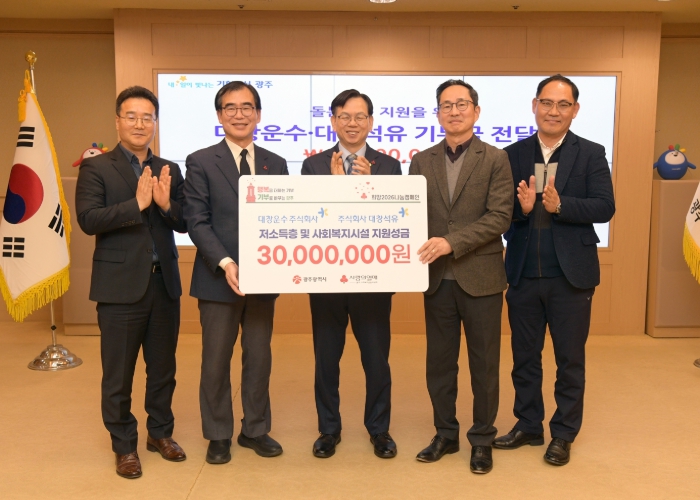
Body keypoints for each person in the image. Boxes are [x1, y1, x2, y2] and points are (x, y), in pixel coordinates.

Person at [493, 74, 615, 466]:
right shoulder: (511, 154)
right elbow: (498, 213)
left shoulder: (591, 153)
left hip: (570, 276)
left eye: (563, 105)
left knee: (569, 360)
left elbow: (605, 206)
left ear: (575, 110)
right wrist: (523, 210)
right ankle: (529, 425)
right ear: (534, 106)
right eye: (547, 103)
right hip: (523, 273)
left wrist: (561, 206)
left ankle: (563, 433)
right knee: (524, 358)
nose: (554, 111)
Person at [76, 86, 187, 479]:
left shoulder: (169, 168)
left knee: (163, 369)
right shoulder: (96, 168)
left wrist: (166, 204)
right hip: (119, 287)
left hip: (164, 285)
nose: (140, 124)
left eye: (147, 117)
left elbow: (184, 222)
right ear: (118, 121)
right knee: (118, 374)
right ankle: (124, 446)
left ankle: (160, 433)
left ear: (155, 123)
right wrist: (136, 206)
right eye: (132, 116)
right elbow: (88, 220)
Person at [409, 80, 513, 474]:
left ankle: (482, 439)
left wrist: (451, 242)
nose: (454, 111)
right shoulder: (421, 160)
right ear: (437, 113)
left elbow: (500, 217)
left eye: (462, 104)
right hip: (436, 279)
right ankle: (445, 434)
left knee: (484, 364)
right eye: (446, 105)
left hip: (481, 278)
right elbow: (408, 216)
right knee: (439, 364)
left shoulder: (496, 159)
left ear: (476, 111)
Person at [184, 81, 289, 464]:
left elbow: (285, 219)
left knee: (259, 358)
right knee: (215, 361)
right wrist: (227, 263)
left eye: (247, 107)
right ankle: (218, 435)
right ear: (219, 115)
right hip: (217, 279)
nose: (239, 114)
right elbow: (197, 221)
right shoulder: (200, 161)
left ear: (258, 114)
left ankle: (255, 429)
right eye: (230, 107)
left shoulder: (276, 163)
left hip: (263, 279)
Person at [301, 89, 402, 459]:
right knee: (326, 360)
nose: (352, 123)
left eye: (360, 116)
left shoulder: (389, 166)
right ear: (333, 121)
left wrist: (369, 189)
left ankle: (379, 430)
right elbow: (308, 222)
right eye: (344, 116)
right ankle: (328, 430)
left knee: (376, 360)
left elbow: (395, 222)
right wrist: (333, 191)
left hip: (373, 281)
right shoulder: (313, 166)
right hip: (326, 280)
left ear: (371, 122)